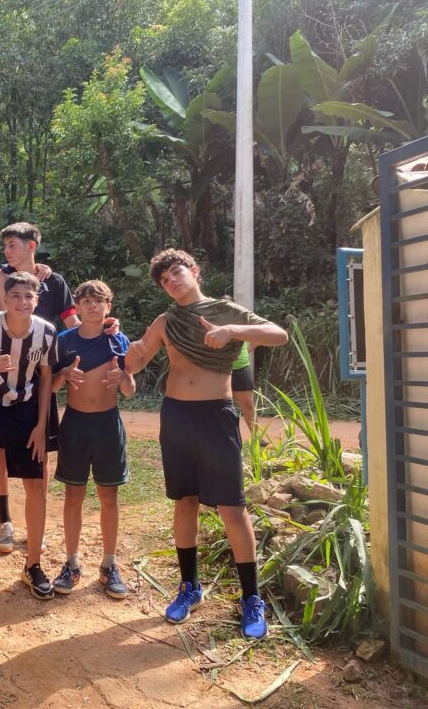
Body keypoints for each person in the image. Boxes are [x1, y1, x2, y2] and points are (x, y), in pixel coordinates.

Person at [124, 249, 288, 639]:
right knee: (185, 501)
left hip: (217, 415)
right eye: (164, 280)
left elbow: (278, 335)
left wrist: (232, 331)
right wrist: (130, 355)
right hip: (177, 416)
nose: (172, 281)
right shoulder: (165, 321)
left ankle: (251, 598)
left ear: (194, 271)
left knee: (232, 507)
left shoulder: (226, 311)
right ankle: (189, 587)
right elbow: (136, 361)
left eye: (176, 273)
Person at [0, 272, 57, 600]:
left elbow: (46, 377)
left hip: (25, 413)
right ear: (4, 298)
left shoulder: (46, 332)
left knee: (36, 486)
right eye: (15, 295)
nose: (22, 302)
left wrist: (41, 426)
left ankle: (33, 564)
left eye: (28, 296)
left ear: (37, 300)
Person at [50, 280, 136, 599]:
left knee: (108, 496)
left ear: (108, 307)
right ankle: (71, 563)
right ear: (77, 307)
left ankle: (109, 564)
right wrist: (63, 375)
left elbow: (130, 390)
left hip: (107, 424)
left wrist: (122, 377)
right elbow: (50, 385)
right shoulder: (64, 341)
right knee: (73, 495)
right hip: (74, 424)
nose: (92, 306)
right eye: (85, 301)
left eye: (98, 301)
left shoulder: (118, 339)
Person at [231, 343, 265, 442]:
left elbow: (258, 337)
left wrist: (245, 351)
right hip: (216, 368)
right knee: (218, 405)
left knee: (248, 405)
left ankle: (257, 438)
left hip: (240, 367)